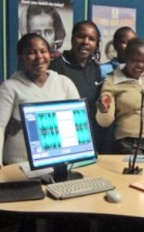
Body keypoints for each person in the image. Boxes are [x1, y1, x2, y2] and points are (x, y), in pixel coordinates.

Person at [0, 33, 79, 174]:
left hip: (58, 162)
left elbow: (77, 120)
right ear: (21, 57)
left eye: (43, 51)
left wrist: (77, 155)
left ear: (50, 54)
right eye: (31, 53)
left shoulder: (64, 83)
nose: (39, 57)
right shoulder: (10, 87)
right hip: (18, 165)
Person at [49, 20, 113, 154]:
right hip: (67, 137)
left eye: (91, 39)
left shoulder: (94, 67)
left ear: (96, 44)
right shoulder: (56, 66)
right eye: (81, 36)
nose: (86, 42)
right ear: (72, 38)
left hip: (92, 136)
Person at [96, 38, 144, 155]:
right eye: (136, 60)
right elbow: (104, 121)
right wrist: (104, 109)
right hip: (131, 145)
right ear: (126, 57)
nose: (141, 65)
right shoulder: (112, 79)